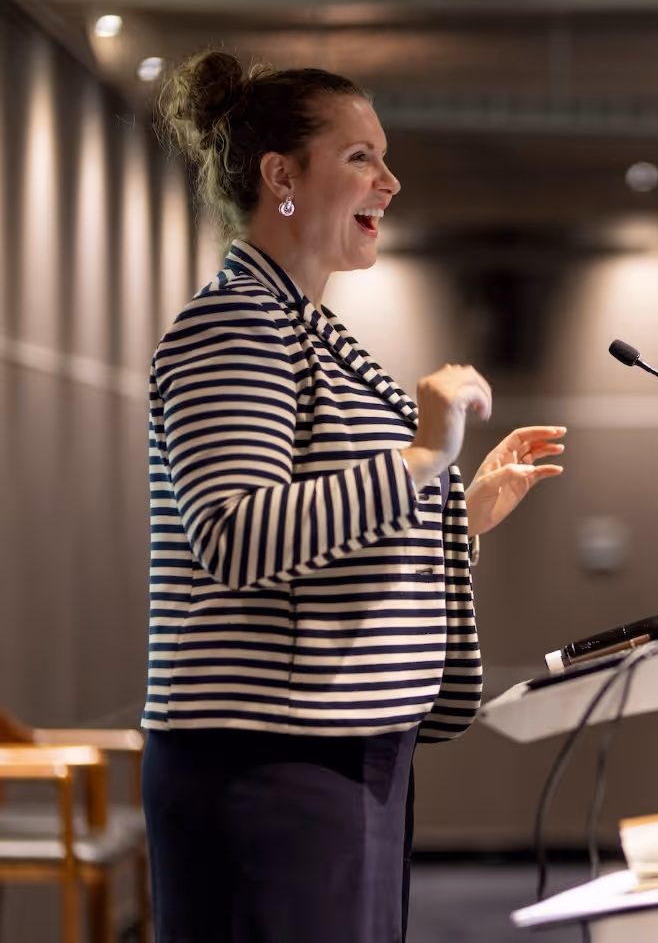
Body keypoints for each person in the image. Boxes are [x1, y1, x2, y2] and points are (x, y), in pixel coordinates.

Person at [142, 50, 565, 943]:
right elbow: (234, 534)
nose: (391, 179)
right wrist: (420, 457)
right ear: (281, 177)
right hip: (268, 756)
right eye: (361, 157)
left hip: (346, 742)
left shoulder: (309, 327)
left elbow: (329, 528)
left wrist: (463, 514)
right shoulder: (234, 325)